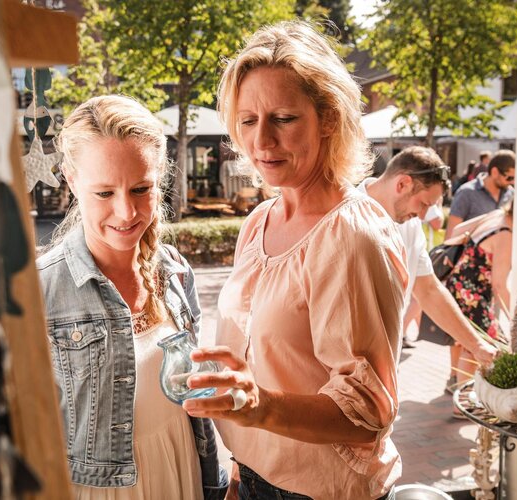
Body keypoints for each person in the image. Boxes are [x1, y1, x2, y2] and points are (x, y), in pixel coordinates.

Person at [183, 21, 409, 500]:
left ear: (327, 118)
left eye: (283, 118)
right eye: (247, 121)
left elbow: (366, 414)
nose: (261, 141)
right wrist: (245, 461)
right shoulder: (261, 219)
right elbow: (261, 369)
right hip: (258, 478)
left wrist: (258, 409)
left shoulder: (348, 235)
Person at [36, 95, 226, 500]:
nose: (126, 213)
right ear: (71, 179)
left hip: (182, 471)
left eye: (141, 189)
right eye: (104, 193)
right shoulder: (38, 291)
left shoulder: (174, 270)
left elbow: (190, 396)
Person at [360, 147, 496, 392]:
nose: (423, 215)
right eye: (423, 204)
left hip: (383, 368)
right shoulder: (342, 213)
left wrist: (477, 346)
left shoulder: (410, 226)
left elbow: (430, 291)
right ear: (402, 183)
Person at [442, 204, 513, 383]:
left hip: (458, 283)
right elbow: (499, 285)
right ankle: (462, 398)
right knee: (479, 344)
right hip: (473, 294)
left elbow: (457, 230)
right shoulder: (506, 234)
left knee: (462, 336)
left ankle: (454, 379)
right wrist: (515, 316)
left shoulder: (496, 215)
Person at [446, 150, 515, 236]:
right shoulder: (466, 193)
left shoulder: (511, 193)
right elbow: (451, 235)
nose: (513, 182)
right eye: (510, 178)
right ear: (494, 172)